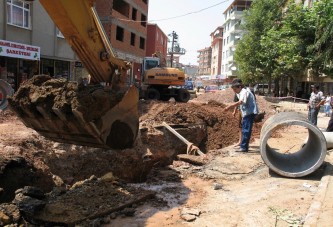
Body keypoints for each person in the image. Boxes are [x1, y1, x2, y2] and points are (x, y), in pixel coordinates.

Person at [224, 79, 258, 152]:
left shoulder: (244, 92)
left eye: (235, 89)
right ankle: (243, 146)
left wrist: (230, 106)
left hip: (249, 113)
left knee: (246, 130)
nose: (234, 91)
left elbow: (241, 102)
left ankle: (244, 148)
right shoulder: (242, 92)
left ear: (239, 87)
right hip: (247, 113)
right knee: (245, 129)